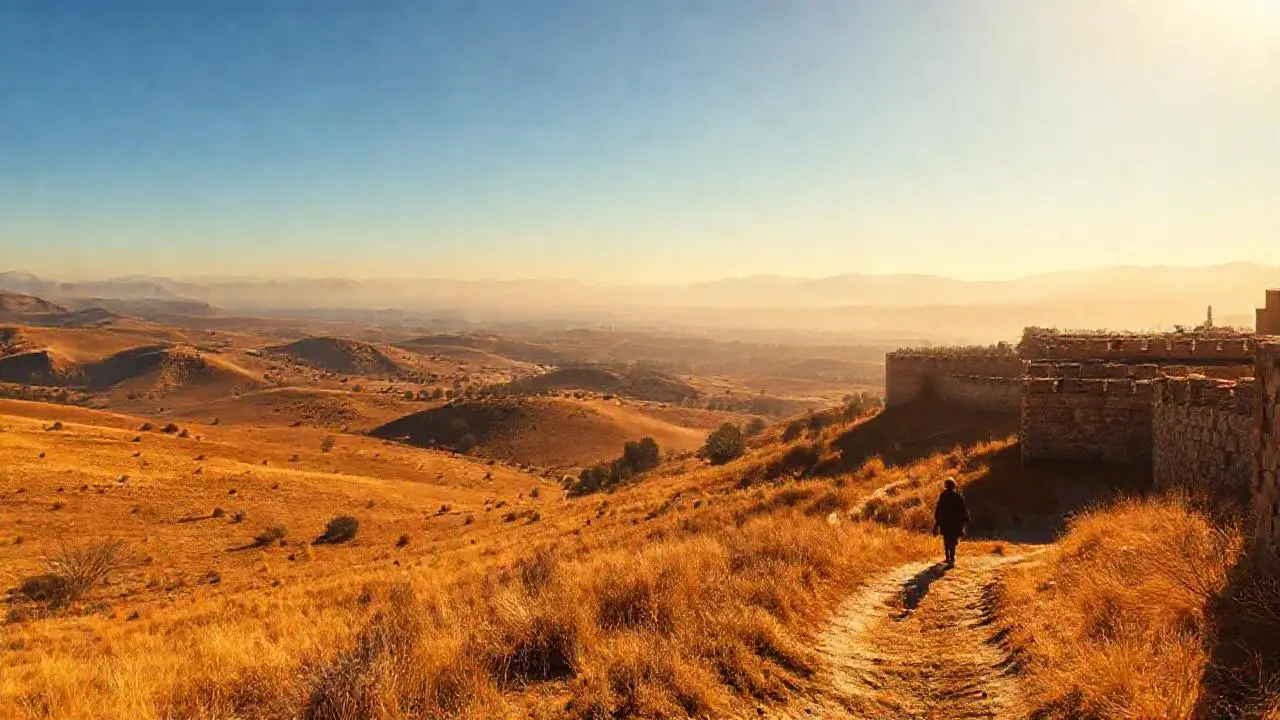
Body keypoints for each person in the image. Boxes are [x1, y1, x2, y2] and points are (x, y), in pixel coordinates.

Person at [932, 477, 969, 567]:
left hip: (945, 521)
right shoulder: (957, 496)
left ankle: (948, 557)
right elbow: (963, 509)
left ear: (946, 486)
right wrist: (965, 519)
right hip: (955, 522)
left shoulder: (943, 495)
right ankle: (951, 557)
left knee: (946, 538)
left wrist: (937, 520)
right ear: (953, 486)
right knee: (953, 539)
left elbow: (939, 508)